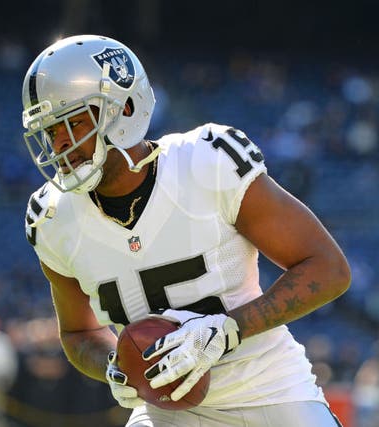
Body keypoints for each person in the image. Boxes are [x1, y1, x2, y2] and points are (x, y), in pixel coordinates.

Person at [22, 34, 351, 427]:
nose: (59, 145)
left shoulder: (206, 163)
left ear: (123, 109)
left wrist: (228, 330)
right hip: (165, 412)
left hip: (269, 390)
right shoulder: (53, 218)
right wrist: (113, 363)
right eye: (49, 131)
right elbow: (77, 332)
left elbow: (328, 268)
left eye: (73, 123)